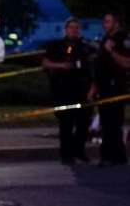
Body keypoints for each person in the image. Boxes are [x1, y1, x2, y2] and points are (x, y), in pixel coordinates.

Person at [42, 18, 95, 164]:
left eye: (77, 28)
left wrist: (92, 90)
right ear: (66, 29)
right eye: (71, 27)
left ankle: (79, 151)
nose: (74, 30)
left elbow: (92, 70)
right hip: (63, 91)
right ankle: (66, 155)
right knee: (66, 125)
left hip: (82, 91)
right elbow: (45, 63)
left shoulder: (85, 47)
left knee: (83, 124)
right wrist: (61, 66)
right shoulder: (56, 46)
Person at [94, 13, 130, 165]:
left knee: (114, 122)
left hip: (115, 86)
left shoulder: (123, 39)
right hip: (104, 86)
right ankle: (111, 156)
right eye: (104, 21)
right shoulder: (105, 39)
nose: (105, 24)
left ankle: (113, 156)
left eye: (108, 21)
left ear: (116, 23)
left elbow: (127, 63)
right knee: (106, 122)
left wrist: (111, 51)